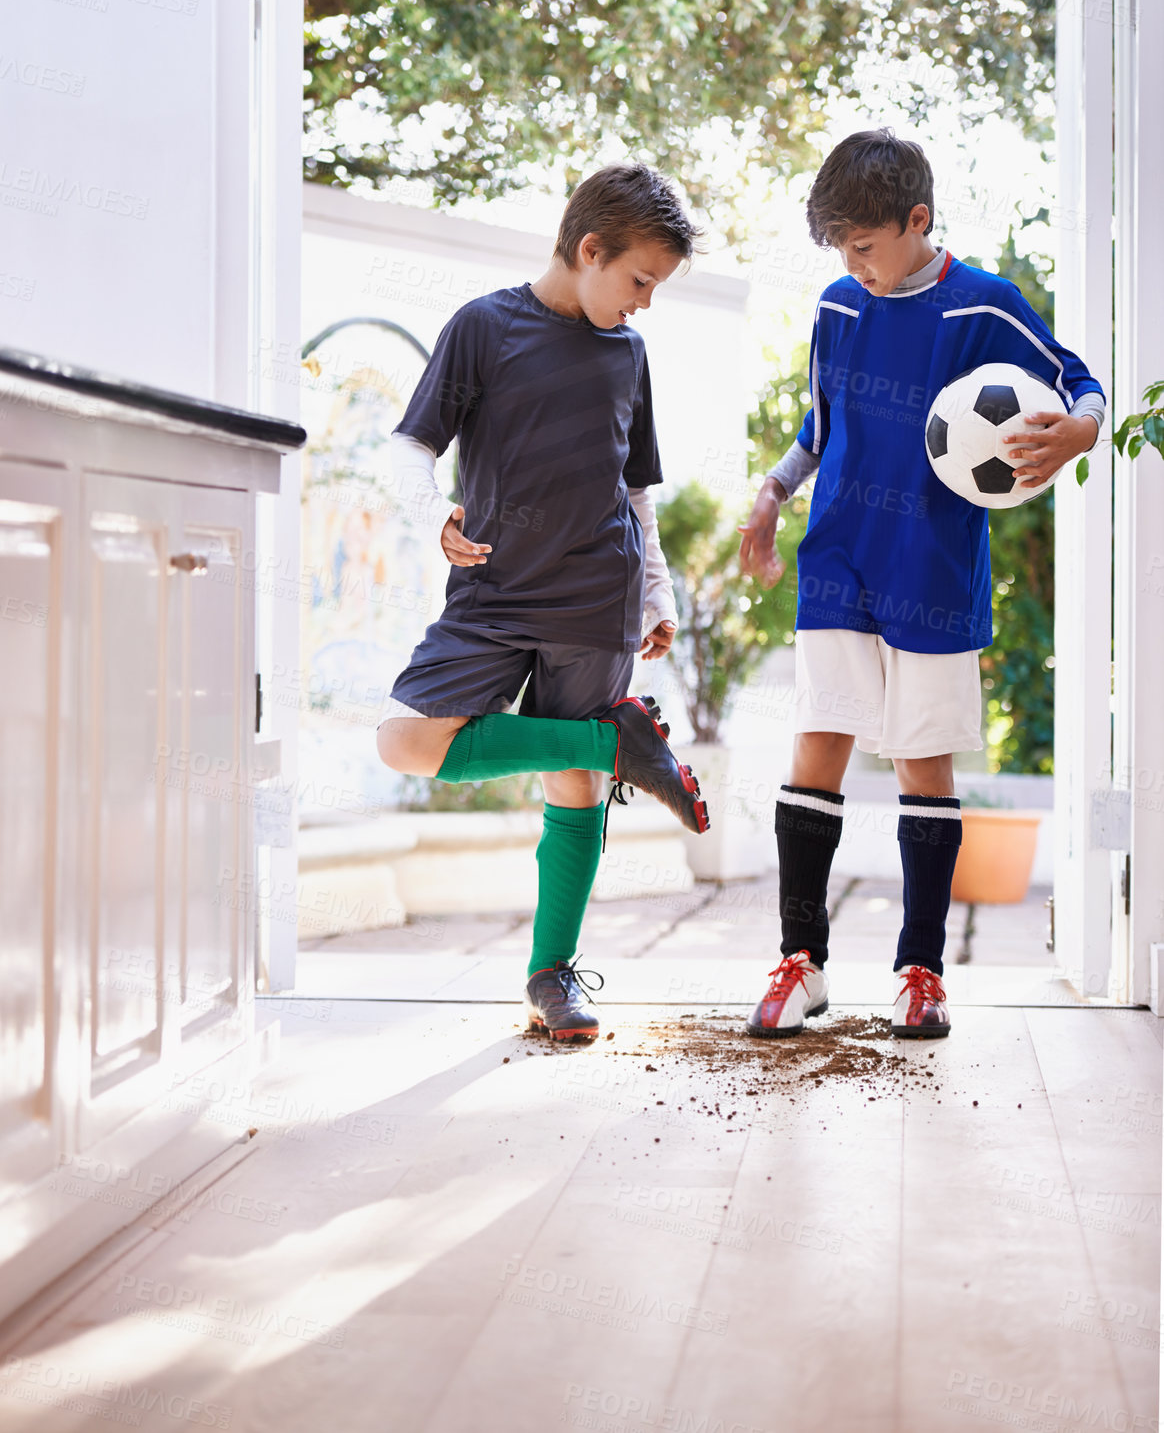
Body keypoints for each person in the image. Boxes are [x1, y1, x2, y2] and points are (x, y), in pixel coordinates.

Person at [737, 129, 1104, 1039]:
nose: (853, 266)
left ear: (918, 220)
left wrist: (1082, 430)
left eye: (864, 246)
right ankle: (802, 960)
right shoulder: (836, 308)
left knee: (922, 761)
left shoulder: (986, 305)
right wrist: (773, 491)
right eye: (839, 251)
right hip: (838, 557)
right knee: (816, 743)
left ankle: (921, 972)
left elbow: (1082, 383)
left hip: (933, 569)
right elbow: (818, 430)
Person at [376, 163, 709, 1044]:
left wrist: (656, 593)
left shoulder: (628, 354)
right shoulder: (484, 329)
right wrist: (432, 512)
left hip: (595, 596)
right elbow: (411, 448)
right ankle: (619, 740)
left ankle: (551, 976)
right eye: (639, 280)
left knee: (574, 782)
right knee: (407, 741)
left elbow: (637, 497)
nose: (645, 302)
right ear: (589, 248)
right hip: (490, 592)